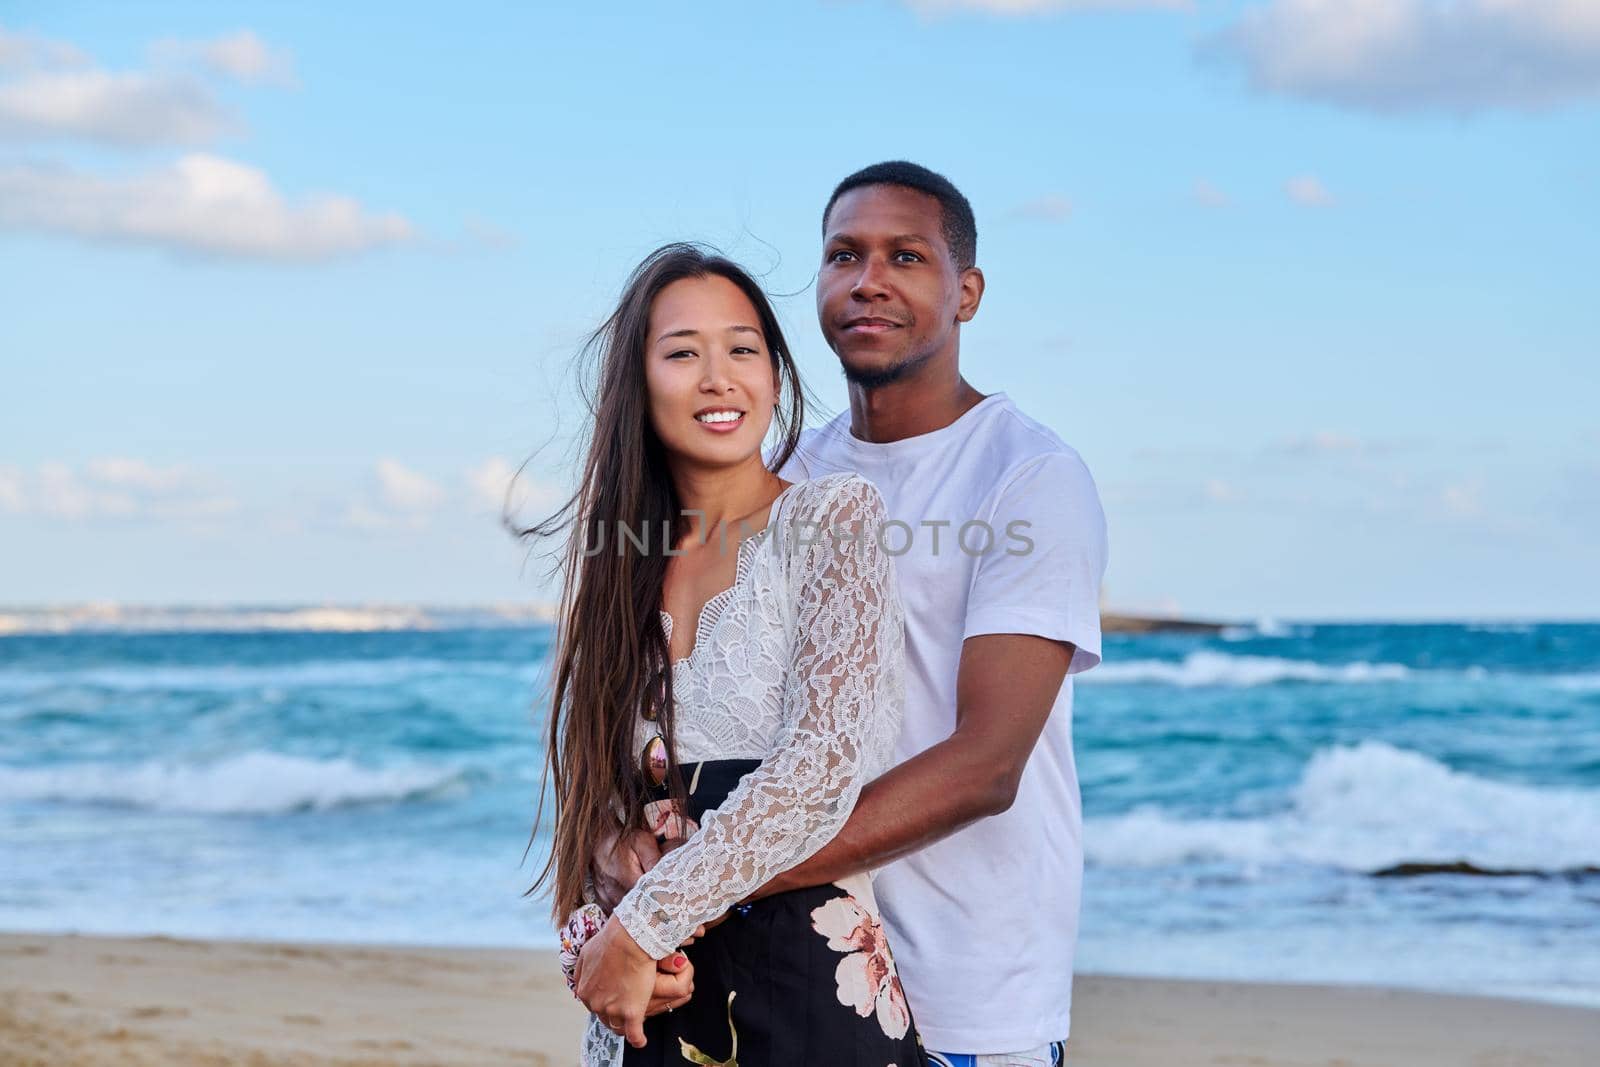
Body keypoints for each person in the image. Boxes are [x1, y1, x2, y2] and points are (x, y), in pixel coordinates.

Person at [588, 162, 1110, 1067]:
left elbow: (986, 765)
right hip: (786, 966)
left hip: (967, 978)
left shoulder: (1027, 476)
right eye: (843, 255)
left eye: (905, 255)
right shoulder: (790, 475)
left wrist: (683, 895)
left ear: (967, 292)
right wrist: (627, 850)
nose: (868, 278)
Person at [527, 243, 927, 1066]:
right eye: (682, 353)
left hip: (808, 986)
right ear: (637, 384)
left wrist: (642, 925)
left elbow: (818, 768)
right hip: (655, 1000)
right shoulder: (615, 568)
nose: (719, 376)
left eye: (743, 349)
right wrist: (606, 891)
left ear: (775, 377)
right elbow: (590, 809)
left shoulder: (832, 521)